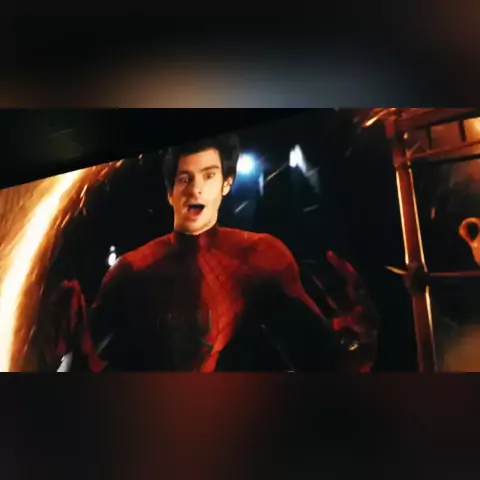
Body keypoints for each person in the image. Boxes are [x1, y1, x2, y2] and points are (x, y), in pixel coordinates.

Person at [69, 134, 378, 372]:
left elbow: (324, 365)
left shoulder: (259, 257)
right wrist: (68, 351)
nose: (195, 190)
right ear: (170, 192)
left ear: (226, 184)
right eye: (185, 178)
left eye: (209, 175)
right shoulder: (131, 270)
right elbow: (84, 369)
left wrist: (359, 343)